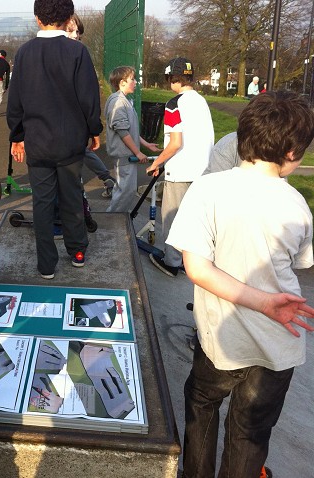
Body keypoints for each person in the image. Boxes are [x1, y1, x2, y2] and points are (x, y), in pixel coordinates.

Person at [167, 91, 314, 478]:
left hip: (223, 338)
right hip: (279, 343)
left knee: (201, 401)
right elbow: (300, 262)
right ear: (292, 153)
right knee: (250, 432)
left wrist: (261, 301)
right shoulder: (297, 203)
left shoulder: (208, 190)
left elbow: (197, 268)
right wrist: (268, 302)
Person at [7, 0, 101, 279]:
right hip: (71, 143)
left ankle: (46, 264)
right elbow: (89, 97)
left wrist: (17, 135)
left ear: (37, 18)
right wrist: (94, 129)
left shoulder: (24, 53)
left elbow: (16, 101)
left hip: (38, 143)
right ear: (68, 17)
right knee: (71, 197)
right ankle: (77, 252)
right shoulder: (77, 51)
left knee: (42, 202)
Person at [145, 57, 213, 277]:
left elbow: (175, 143)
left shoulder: (174, 104)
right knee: (193, 218)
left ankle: (172, 262)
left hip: (181, 171)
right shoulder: (201, 101)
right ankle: (188, 260)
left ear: (172, 79)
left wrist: (157, 162)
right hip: (203, 169)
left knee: (173, 217)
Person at [65, 13, 116, 199]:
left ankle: (80, 204)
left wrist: (93, 128)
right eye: (70, 30)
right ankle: (105, 179)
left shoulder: (80, 54)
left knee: (75, 160)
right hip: (61, 127)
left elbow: (89, 94)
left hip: (74, 125)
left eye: (77, 31)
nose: (75, 35)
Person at [105, 66, 160, 212]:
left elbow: (129, 130)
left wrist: (146, 145)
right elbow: (123, 132)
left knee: (126, 192)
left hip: (128, 155)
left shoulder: (125, 101)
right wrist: (138, 153)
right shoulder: (118, 102)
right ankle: (112, 225)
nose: (136, 82)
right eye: (132, 79)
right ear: (122, 82)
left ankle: (116, 223)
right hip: (124, 156)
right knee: (124, 193)